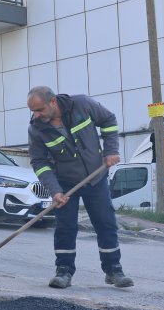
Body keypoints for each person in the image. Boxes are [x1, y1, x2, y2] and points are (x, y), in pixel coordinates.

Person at [27, 86, 133, 289]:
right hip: (65, 184)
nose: (36, 115)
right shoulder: (36, 129)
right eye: (33, 111)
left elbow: (108, 120)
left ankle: (113, 270)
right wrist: (55, 190)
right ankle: (64, 271)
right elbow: (39, 163)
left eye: (39, 109)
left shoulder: (82, 105)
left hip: (96, 177)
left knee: (105, 223)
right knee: (65, 227)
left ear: (53, 102)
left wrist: (111, 150)